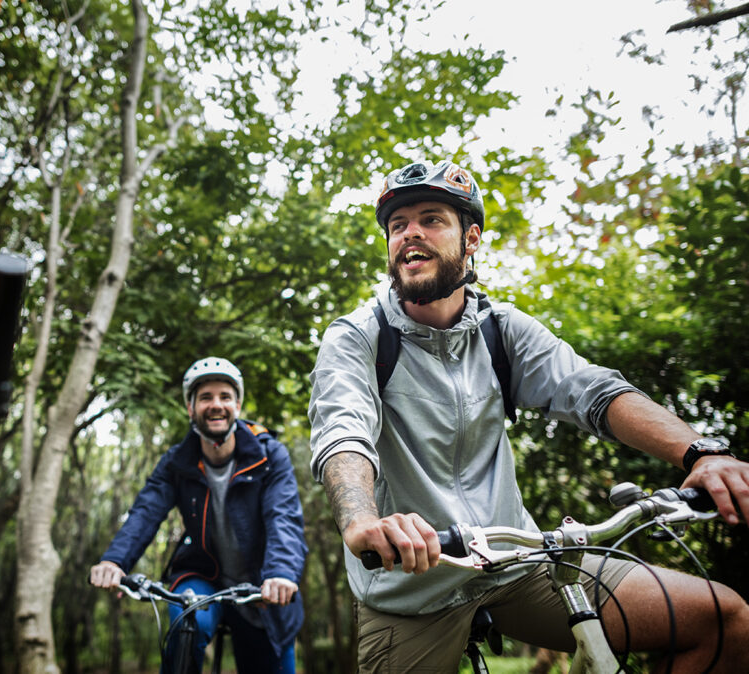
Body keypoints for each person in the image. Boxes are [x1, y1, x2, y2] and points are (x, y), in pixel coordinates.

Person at [308, 158, 749, 672]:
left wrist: (702, 452)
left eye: (431, 219)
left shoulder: (502, 329)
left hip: (516, 565)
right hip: (412, 583)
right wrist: (363, 522)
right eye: (398, 225)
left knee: (726, 618)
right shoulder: (358, 336)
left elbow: (591, 390)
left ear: (470, 239)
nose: (410, 234)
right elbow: (344, 430)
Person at [89, 357, 307, 673]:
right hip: (203, 573)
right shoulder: (177, 461)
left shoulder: (269, 455)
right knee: (185, 622)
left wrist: (281, 573)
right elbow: (146, 512)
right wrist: (114, 561)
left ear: (238, 405)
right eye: (205, 397)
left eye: (224, 397)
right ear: (191, 408)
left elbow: (283, 517)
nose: (215, 405)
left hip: (264, 581)